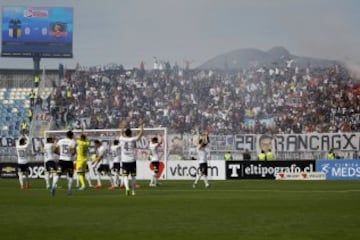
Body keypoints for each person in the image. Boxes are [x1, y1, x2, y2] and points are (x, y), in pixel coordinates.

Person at [119, 119, 144, 196]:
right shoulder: (133, 139)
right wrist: (141, 125)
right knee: (133, 176)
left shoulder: (121, 139)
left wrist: (123, 125)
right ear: (131, 133)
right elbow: (141, 134)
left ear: (125, 133)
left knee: (125, 176)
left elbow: (120, 133)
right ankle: (133, 191)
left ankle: (127, 189)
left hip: (124, 160)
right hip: (132, 160)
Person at [51, 130, 76, 196]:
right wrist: (72, 154)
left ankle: (53, 186)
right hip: (69, 161)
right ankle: (69, 191)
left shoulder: (60, 141)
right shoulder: (72, 142)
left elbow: (54, 150)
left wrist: (61, 154)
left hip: (61, 161)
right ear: (71, 135)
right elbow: (73, 152)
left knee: (57, 174)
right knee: (70, 176)